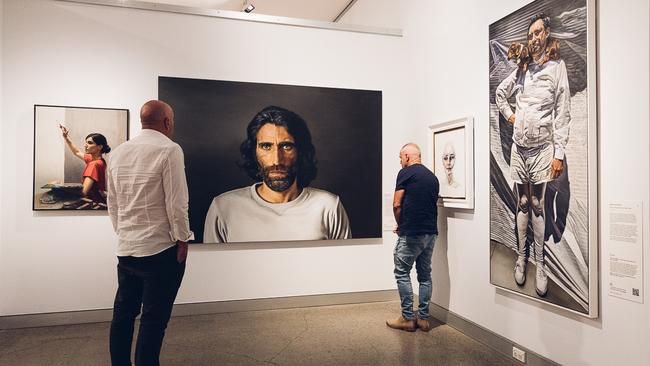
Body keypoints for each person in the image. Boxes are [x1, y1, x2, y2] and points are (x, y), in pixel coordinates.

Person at [106, 100, 193, 366]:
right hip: (160, 250)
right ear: (167, 122)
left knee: (122, 315)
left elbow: (113, 202)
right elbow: (177, 203)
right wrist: (183, 238)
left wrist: (123, 232)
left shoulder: (119, 152)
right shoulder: (169, 150)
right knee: (153, 321)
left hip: (127, 249)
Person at [495, 13, 571, 297]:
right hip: (520, 149)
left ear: (547, 34)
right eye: (530, 34)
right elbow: (501, 95)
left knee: (538, 203)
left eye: (538, 32)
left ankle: (540, 263)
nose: (533, 38)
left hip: (542, 149)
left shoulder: (556, 67)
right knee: (523, 202)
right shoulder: (522, 69)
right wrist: (510, 116)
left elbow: (563, 112)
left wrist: (559, 153)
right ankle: (521, 256)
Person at [203, 105, 350, 243]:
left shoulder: (328, 206)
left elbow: (343, 266)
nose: (276, 160)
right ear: (254, 152)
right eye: (266, 146)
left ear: (301, 151)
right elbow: (213, 268)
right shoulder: (223, 207)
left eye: (286, 146)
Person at [386, 143, 439, 332]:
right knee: (425, 275)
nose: (400, 161)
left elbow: (396, 204)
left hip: (412, 234)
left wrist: (400, 225)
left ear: (408, 156)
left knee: (402, 272)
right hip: (431, 233)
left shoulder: (406, 173)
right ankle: (424, 319)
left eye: (401, 157)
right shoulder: (433, 177)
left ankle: (407, 318)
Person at [59, 125, 111, 205]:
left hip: (93, 202)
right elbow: (76, 152)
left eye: (90, 143)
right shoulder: (99, 160)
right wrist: (66, 137)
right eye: (86, 142)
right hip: (98, 199)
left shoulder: (93, 164)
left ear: (100, 147)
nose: (85, 145)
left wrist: (61, 190)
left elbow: (84, 192)